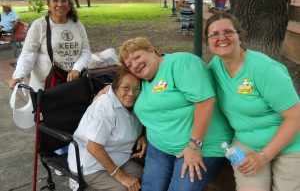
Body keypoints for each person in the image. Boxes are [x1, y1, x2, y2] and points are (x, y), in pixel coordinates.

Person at [118, 37, 233, 191]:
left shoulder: (181, 63)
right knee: (151, 188)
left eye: (137, 57)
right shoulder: (141, 81)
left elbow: (205, 103)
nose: (135, 65)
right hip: (159, 147)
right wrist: (107, 92)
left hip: (201, 146)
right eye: (129, 64)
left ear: (152, 50)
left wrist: (194, 147)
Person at [205, 12, 300, 191]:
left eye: (228, 32)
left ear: (240, 36)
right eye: (214, 34)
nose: (221, 38)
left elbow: (295, 117)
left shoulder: (263, 68)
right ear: (208, 41)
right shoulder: (214, 68)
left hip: (290, 144)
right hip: (246, 143)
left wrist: (263, 157)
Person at [68, 68, 146, 191]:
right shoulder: (105, 107)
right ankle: (79, 183)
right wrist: (121, 177)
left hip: (118, 155)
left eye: (136, 89)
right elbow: (94, 147)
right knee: (122, 188)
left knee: (143, 177)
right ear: (115, 88)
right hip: (90, 163)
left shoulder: (137, 103)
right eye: (125, 88)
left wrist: (142, 136)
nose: (131, 93)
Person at [8, 0, 91, 91]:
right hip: (46, 87)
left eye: (64, 1)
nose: (60, 4)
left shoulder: (77, 25)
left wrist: (77, 69)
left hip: (73, 85)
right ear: (48, 4)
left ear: (69, 5)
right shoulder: (39, 25)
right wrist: (18, 75)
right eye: (55, 1)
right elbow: (28, 53)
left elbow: (85, 51)